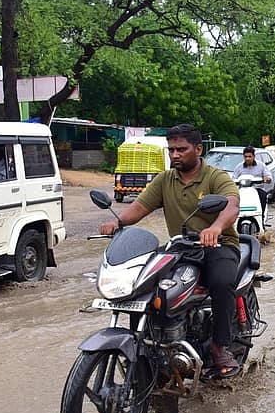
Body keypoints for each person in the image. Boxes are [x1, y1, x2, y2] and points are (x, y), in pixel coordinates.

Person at [98, 124, 243, 378]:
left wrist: (216, 227)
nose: (175, 154)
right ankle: (149, 344)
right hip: (180, 248)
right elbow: (140, 207)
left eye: (182, 149)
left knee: (221, 283)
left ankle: (221, 346)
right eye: (171, 150)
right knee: (145, 284)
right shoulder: (165, 180)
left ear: (198, 150)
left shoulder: (215, 177)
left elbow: (232, 205)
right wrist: (117, 222)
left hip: (217, 246)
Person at [232, 145, 272, 225]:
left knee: (263, 196)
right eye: (245, 156)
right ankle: (233, 221)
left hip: (257, 190)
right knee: (232, 199)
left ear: (254, 156)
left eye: (250, 156)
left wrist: (267, 178)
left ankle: (261, 219)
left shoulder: (261, 166)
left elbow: (269, 176)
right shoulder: (239, 167)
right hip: (242, 191)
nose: (247, 158)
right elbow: (233, 178)